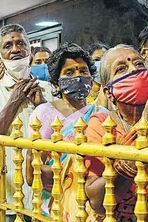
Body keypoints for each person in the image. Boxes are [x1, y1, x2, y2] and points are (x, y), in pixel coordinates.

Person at [61, 45, 148, 222]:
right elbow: (98, 201)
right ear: (109, 92)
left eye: (139, 64)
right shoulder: (101, 126)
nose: (134, 70)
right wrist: (134, 154)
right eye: (121, 68)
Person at [0, 24, 55, 221]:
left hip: (46, 198)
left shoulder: (48, 89)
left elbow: (63, 134)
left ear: (29, 49)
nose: (15, 49)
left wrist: (43, 107)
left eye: (21, 43)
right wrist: (14, 100)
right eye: (8, 45)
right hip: (7, 195)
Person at [26, 43, 107, 216]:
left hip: (95, 203)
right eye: (69, 73)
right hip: (56, 204)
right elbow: (32, 174)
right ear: (56, 83)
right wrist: (71, 170)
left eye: (83, 71)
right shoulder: (45, 113)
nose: (78, 77)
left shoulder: (101, 113)